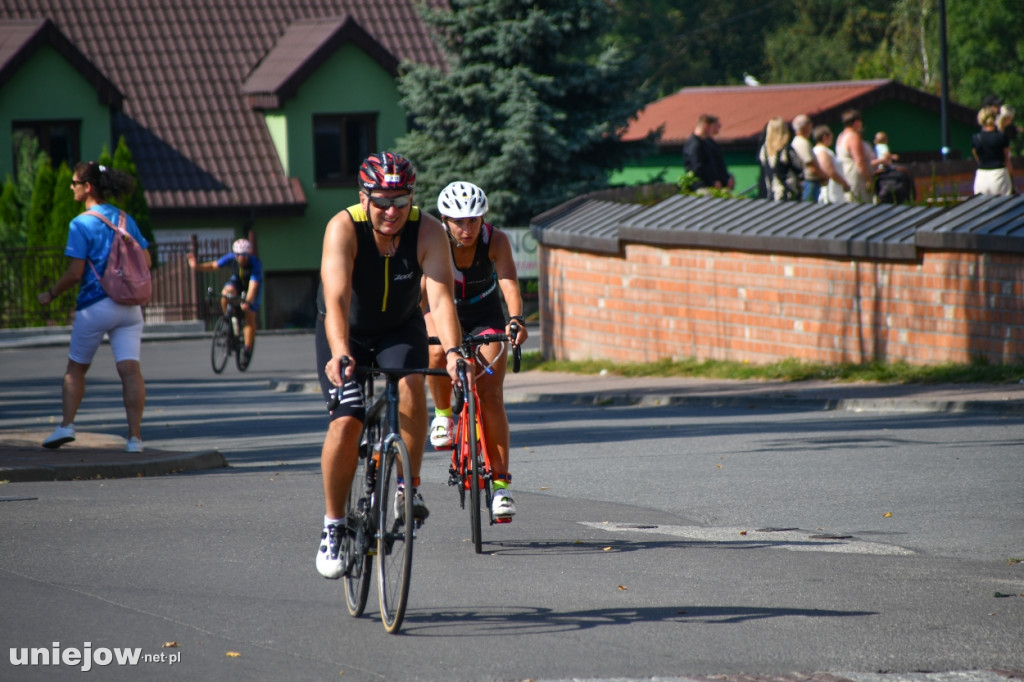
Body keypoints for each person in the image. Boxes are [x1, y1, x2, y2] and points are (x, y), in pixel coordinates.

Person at [314, 152, 465, 579]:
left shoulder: (429, 231)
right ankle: (333, 525)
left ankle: (407, 487)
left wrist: (453, 354)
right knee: (347, 420)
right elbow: (337, 298)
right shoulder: (344, 227)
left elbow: (440, 300)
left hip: (399, 327)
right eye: (381, 201)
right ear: (364, 197)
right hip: (345, 331)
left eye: (401, 200)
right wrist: (341, 350)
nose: (392, 211)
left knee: (412, 384)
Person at [423, 181, 528, 520]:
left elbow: (509, 280)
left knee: (491, 393)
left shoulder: (495, 240)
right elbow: (423, 291)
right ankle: (442, 416)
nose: (466, 229)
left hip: (485, 313)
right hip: (443, 309)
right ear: (444, 219)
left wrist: (515, 320)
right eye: (458, 221)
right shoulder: (433, 240)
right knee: (437, 351)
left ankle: (500, 486)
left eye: (473, 220)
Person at [38, 161, 152, 453]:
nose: (72, 188)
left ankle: (66, 426)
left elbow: (75, 272)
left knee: (76, 367)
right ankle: (135, 438)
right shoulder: (125, 219)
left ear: (87, 187)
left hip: (96, 303)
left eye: (74, 184)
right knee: (130, 370)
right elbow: (147, 261)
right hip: (130, 306)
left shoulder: (81, 223)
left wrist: (51, 294)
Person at [187, 238, 262, 363]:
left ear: (248, 255)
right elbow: (213, 265)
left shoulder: (255, 264)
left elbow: (253, 287)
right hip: (237, 282)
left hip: (251, 286)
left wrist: (247, 301)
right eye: (237, 255)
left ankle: (247, 349)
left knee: (250, 315)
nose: (240, 258)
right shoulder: (231, 258)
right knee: (225, 293)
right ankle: (228, 318)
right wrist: (196, 266)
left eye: (243, 255)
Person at [683, 114, 735, 191]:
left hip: (710, 186)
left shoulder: (703, 143)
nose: (713, 131)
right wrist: (712, 181)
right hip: (702, 187)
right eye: (713, 127)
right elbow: (697, 168)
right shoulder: (695, 144)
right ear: (706, 127)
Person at [757, 116, 803, 201]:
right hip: (789, 194)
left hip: (771, 194)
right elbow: (799, 170)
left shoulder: (764, 151)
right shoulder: (786, 150)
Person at [836, 109, 876, 203]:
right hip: (857, 179)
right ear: (856, 122)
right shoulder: (853, 136)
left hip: (846, 175)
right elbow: (859, 160)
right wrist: (868, 180)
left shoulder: (841, 136)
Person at [972, 106, 1013, 196]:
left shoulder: (976, 138)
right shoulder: (1002, 137)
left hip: (982, 176)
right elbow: (1007, 159)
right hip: (999, 174)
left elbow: (977, 157)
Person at [791, 114, 827, 202]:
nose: (811, 125)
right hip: (809, 183)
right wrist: (824, 177)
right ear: (804, 127)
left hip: (807, 183)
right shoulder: (802, 143)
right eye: (809, 123)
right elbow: (812, 167)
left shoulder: (798, 141)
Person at [812, 125, 851, 204]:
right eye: (830, 136)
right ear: (824, 137)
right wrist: (844, 184)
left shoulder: (821, 150)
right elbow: (829, 172)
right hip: (832, 190)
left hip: (835, 189)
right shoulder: (822, 151)